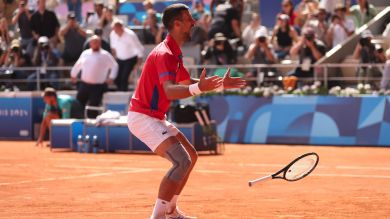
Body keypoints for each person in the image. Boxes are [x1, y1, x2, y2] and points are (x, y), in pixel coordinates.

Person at [127, 4, 246, 219]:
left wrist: (218, 84)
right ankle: (158, 216)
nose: (193, 22)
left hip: (154, 117)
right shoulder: (164, 53)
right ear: (177, 23)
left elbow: (184, 82)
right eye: (189, 18)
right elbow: (171, 91)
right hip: (143, 117)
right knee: (181, 161)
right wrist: (200, 87)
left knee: (190, 155)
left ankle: (171, 212)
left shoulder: (173, 51)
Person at [70, 35, 118, 118]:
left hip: (98, 86)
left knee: (93, 107)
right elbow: (78, 65)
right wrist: (73, 75)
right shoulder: (85, 53)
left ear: (100, 43)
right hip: (84, 85)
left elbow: (114, 66)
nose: (95, 44)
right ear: (90, 44)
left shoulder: (105, 55)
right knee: (78, 105)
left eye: (97, 42)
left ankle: (92, 127)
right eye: (93, 42)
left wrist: (111, 77)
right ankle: (79, 124)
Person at [110, 19, 144, 91]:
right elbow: (113, 48)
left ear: (121, 27)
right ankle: (120, 93)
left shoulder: (130, 35)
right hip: (119, 59)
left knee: (124, 77)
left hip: (130, 59)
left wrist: (138, 62)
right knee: (117, 77)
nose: (115, 31)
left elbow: (139, 48)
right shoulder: (112, 34)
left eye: (117, 28)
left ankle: (123, 93)